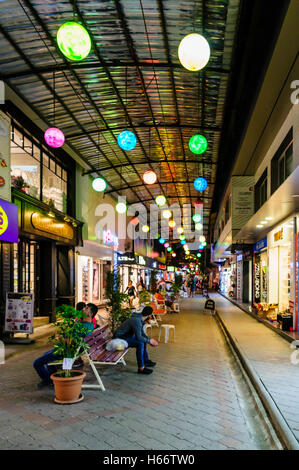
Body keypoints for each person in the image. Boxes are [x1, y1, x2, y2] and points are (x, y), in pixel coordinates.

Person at [33, 303, 98, 388]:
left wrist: (61, 337)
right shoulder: (88, 325)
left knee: (37, 363)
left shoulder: (82, 326)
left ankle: (48, 380)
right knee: (46, 356)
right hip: (70, 350)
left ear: (90, 314)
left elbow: (69, 342)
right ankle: (52, 380)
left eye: (86, 308)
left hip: (66, 351)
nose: (83, 309)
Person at [114, 305, 158, 375]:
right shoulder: (137, 320)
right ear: (149, 315)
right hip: (120, 338)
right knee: (140, 343)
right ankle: (141, 368)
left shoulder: (139, 318)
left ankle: (145, 360)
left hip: (126, 336)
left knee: (143, 341)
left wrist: (148, 339)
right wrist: (149, 341)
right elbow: (139, 337)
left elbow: (141, 333)